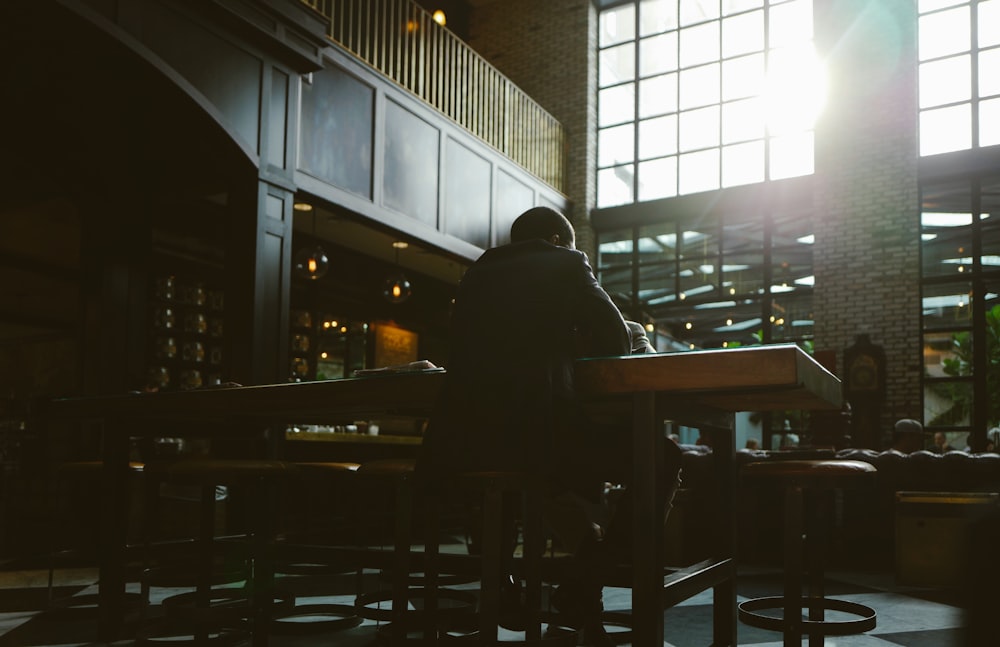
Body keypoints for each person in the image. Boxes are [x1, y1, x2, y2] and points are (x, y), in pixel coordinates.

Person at [415, 206, 682, 645]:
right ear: (559, 241)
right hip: (538, 440)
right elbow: (616, 340)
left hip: (462, 446)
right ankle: (585, 579)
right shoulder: (566, 263)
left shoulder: (476, 275)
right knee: (663, 456)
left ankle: (499, 581)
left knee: (527, 480)